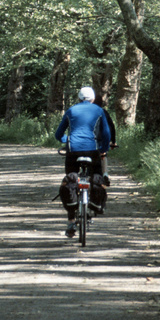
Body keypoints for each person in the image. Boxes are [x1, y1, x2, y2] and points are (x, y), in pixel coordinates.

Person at [55, 86, 111, 238]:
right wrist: (104, 149)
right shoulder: (98, 110)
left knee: (71, 179)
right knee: (97, 175)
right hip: (92, 151)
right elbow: (106, 133)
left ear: (79, 98)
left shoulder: (71, 111)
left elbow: (58, 134)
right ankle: (94, 205)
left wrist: (68, 140)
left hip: (73, 151)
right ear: (93, 99)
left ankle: (71, 220)